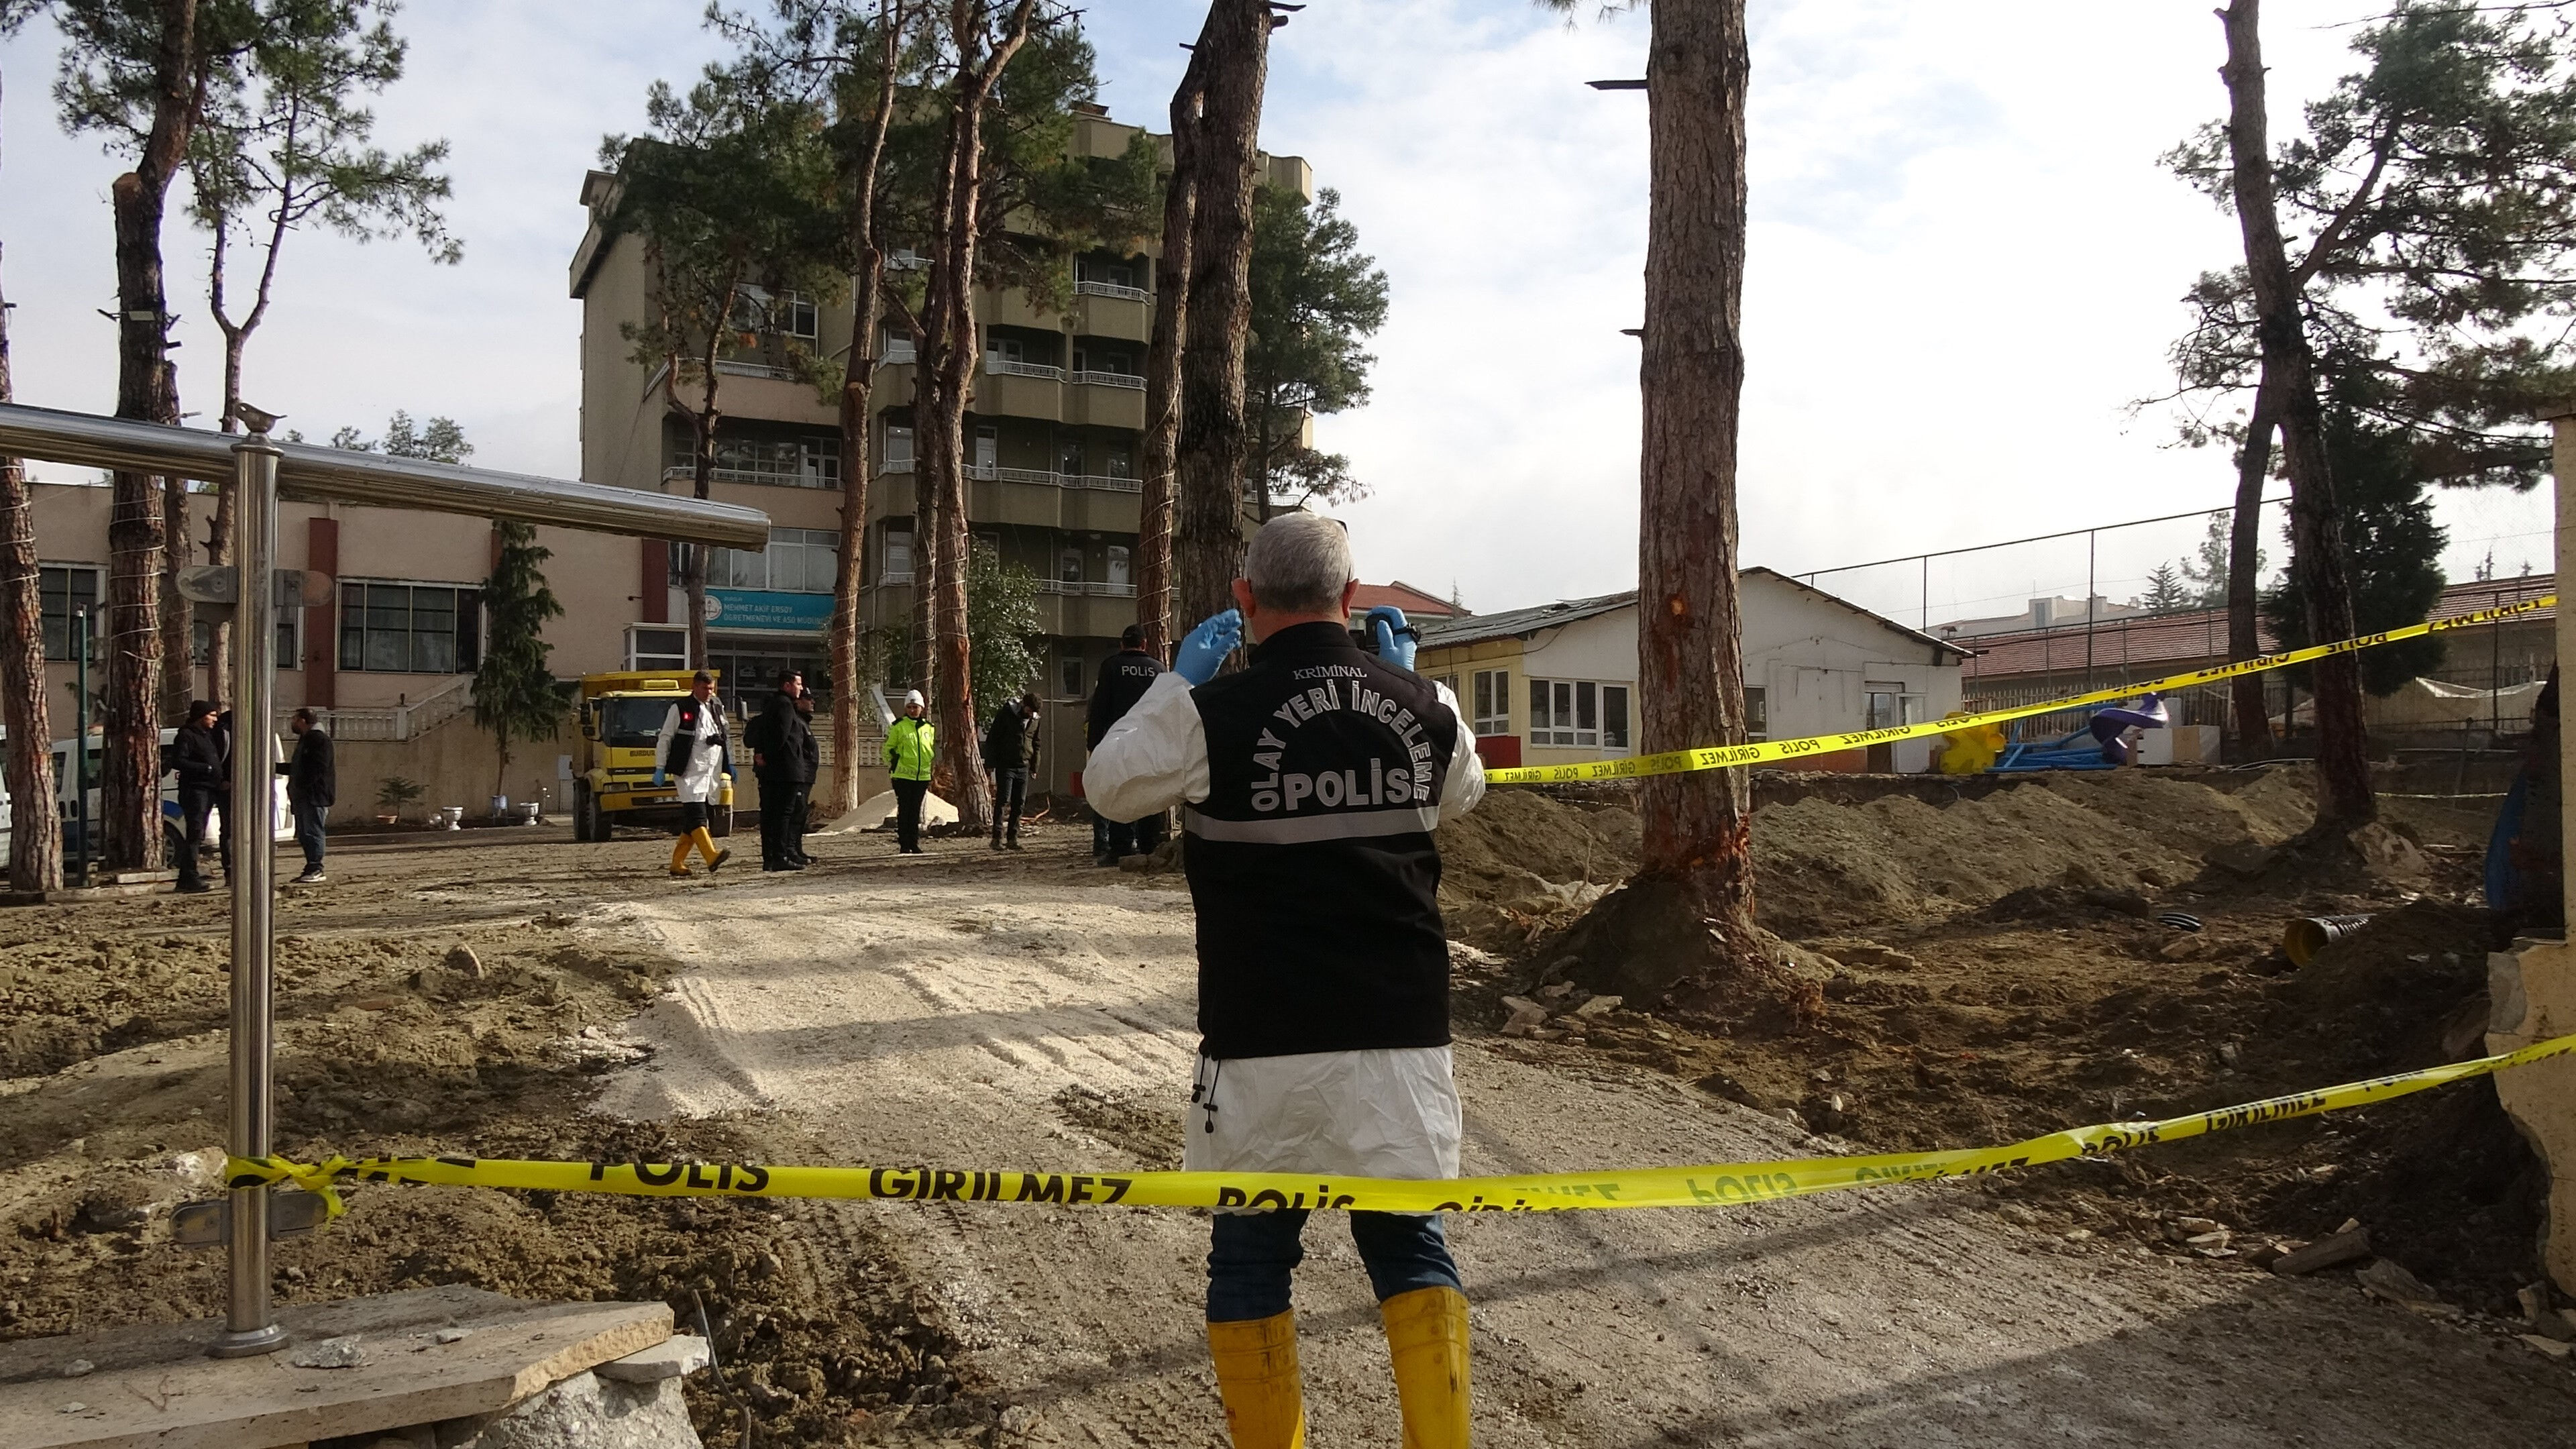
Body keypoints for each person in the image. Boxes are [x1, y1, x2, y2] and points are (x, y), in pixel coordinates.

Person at [1083, 513, 1485, 1449]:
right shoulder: (1422, 705)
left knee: (1254, 1259)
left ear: (1244, 601)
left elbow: (1108, 787)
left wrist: (1176, 678)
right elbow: (1465, 792)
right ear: (1353, 601)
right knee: (1409, 1246)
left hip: (1262, 1043)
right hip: (1399, 1039)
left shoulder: (1207, 714)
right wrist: (1411, 674)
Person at [1086, 624, 1167, 866]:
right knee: (1150, 790)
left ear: (1122, 645)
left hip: (1119, 740)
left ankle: (1121, 847)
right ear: (1144, 644)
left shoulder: (1110, 667)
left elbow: (1099, 707)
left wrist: (1094, 743)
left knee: (1121, 789)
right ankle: (1150, 844)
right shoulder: (1158, 669)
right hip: (1149, 741)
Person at [653, 670, 734, 878]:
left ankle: (677, 863)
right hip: (688, 771)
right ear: (695, 686)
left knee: (692, 821)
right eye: (706, 688)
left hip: (710, 772)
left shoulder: (716, 707)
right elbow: (665, 738)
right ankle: (711, 856)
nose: (710, 692)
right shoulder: (679, 708)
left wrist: (729, 762)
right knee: (698, 817)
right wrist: (660, 767)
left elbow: (726, 735)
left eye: (712, 688)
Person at [748, 672, 817, 872]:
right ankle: (780, 856)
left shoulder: (775, 705)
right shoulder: (784, 705)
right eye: (798, 684)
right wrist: (766, 755)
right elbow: (780, 736)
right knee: (782, 815)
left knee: (773, 815)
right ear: (787, 685)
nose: (801, 688)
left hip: (778, 770)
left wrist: (763, 754)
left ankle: (772, 858)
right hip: (786, 771)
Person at [167, 700, 225, 895]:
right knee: (194, 834)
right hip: (195, 791)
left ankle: (186, 877)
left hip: (209, 790)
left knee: (197, 835)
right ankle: (189, 876)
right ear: (201, 716)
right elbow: (179, 761)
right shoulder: (187, 735)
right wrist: (205, 768)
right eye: (212, 716)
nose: (215, 720)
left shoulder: (206, 735)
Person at [279, 707, 334, 885]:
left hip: (313, 796)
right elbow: (298, 768)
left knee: (313, 831)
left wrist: (302, 786)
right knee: (304, 833)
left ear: (302, 720)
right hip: (303, 795)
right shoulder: (307, 740)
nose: (292, 722)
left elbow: (317, 768)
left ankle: (316, 867)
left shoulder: (318, 740)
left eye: (294, 719)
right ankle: (311, 866)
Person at [982, 690, 1041, 851]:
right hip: (1006, 765)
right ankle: (996, 838)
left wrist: (1035, 766)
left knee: (1019, 803)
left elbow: (1036, 744)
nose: (1031, 714)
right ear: (1023, 705)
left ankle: (1012, 839)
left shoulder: (1035, 721)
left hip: (1024, 766)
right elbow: (993, 738)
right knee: (1002, 800)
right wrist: (990, 763)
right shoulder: (1006, 714)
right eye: (1029, 711)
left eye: (1034, 712)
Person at [887, 688, 935, 855]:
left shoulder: (929, 728)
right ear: (906, 708)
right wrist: (894, 763)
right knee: (905, 809)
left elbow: (929, 750)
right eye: (910, 707)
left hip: (922, 776)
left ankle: (914, 843)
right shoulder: (898, 726)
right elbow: (888, 749)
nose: (913, 710)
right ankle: (904, 844)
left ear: (922, 708)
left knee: (916, 810)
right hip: (902, 776)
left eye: (916, 707)